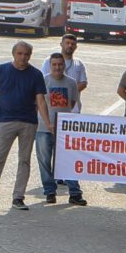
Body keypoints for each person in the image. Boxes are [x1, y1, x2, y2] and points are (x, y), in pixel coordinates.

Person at [0, 40, 46, 212]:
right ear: (14, 54)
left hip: (28, 122)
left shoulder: (36, 74)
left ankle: (18, 197)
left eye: (26, 54)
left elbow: (41, 100)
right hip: (6, 121)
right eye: (20, 53)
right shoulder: (1, 70)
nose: (23, 57)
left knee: (24, 161)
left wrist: (47, 122)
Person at [36, 49, 88, 207]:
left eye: (60, 64)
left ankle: (75, 193)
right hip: (44, 128)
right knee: (44, 161)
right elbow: (38, 103)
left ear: (64, 65)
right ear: (50, 65)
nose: (57, 67)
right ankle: (50, 192)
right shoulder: (42, 81)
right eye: (54, 65)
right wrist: (47, 122)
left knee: (67, 161)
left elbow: (72, 104)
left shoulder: (71, 82)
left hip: (64, 129)